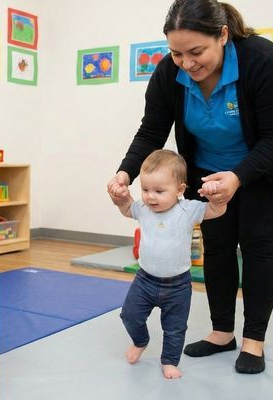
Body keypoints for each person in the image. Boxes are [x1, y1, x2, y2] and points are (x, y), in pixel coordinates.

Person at [107, 0, 273, 374]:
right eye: (176, 52)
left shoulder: (262, 59)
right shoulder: (170, 73)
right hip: (208, 170)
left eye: (196, 51)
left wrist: (238, 176)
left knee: (258, 246)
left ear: (222, 35)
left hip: (267, 167)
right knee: (216, 246)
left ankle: (254, 341)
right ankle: (222, 332)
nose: (187, 62)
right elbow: (151, 130)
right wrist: (125, 173)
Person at [111, 149, 226, 379]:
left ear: (180, 190)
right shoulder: (143, 208)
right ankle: (141, 341)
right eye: (145, 189)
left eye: (159, 191)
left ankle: (169, 361)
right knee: (129, 315)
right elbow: (126, 209)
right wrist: (121, 199)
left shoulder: (188, 209)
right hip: (145, 280)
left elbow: (216, 210)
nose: (150, 197)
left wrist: (215, 198)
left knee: (174, 328)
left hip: (178, 285)